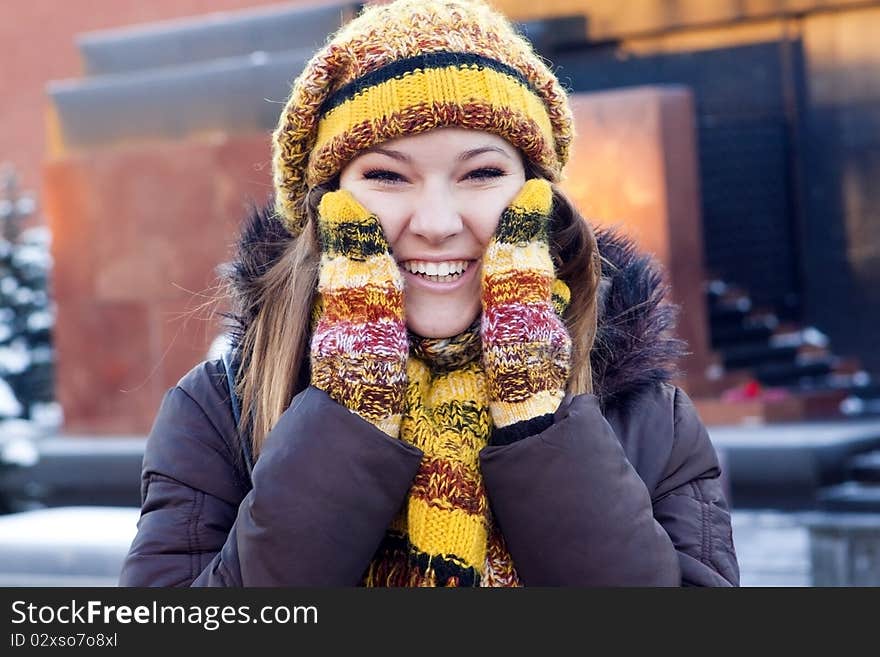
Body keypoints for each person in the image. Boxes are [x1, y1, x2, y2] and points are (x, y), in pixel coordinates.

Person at [119, 0, 739, 587]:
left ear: (536, 197)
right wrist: (348, 415)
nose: (438, 222)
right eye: (387, 176)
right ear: (324, 205)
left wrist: (536, 415)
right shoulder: (219, 412)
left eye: (482, 174)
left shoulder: (647, 417)